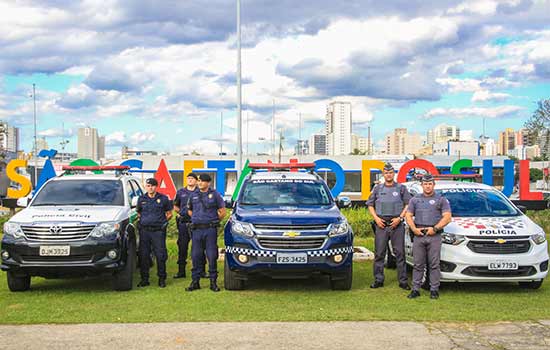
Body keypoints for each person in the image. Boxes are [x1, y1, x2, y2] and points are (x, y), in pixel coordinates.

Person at [405, 174, 452, 299]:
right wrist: (414, 229)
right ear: (422, 185)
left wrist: (435, 228)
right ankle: (415, 289)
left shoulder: (441, 199)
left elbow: (447, 217)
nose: (427, 186)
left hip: (434, 235)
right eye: (425, 184)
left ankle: (434, 289)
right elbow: (408, 215)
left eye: (430, 184)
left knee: (434, 264)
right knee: (418, 264)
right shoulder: (415, 200)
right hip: (419, 234)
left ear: (433, 185)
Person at [366, 162, 412, 290]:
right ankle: (378, 279)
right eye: (386, 173)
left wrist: (400, 217)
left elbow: (408, 204)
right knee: (379, 253)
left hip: (397, 225)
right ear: (383, 174)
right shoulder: (377, 189)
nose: (388, 175)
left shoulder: (401, 188)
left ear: (394, 174)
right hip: (381, 225)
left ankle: (403, 281)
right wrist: (376, 219)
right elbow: (370, 205)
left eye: (391, 172)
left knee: (400, 254)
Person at [185, 174, 226, 292]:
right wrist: (198, 219)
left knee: (212, 256)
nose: (200, 183)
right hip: (197, 230)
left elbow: (222, 211)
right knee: (196, 255)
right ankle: (195, 281)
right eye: (199, 181)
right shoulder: (193, 195)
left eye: (202, 181)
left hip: (210, 230)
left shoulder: (215, 195)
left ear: (208, 183)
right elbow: (189, 210)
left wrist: (213, 221)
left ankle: (213, 282)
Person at [136, 178, 173, 288]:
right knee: (144, 256)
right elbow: (139, 213)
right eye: (148, 186)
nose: (150, 188)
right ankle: (144, 279)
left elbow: (169, 213)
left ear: (156, 187)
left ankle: (162, 279)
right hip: (145, 231)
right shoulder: (141, 199)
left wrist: (163, 223)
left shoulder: (163, 198)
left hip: (158, 231)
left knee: (160, 255)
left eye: (152, 186)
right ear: (146, 187)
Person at [173, 172, 205, 279]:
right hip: (183, 223)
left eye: (192, 178)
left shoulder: (200, 192)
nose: (190, 180)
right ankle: (181, 271)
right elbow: (176, 206)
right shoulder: (181, 192)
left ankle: (202, 271)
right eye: (188, 178)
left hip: (197, 223)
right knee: (182, 247)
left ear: (196, 181)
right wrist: (182, 213)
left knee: (199, 247)